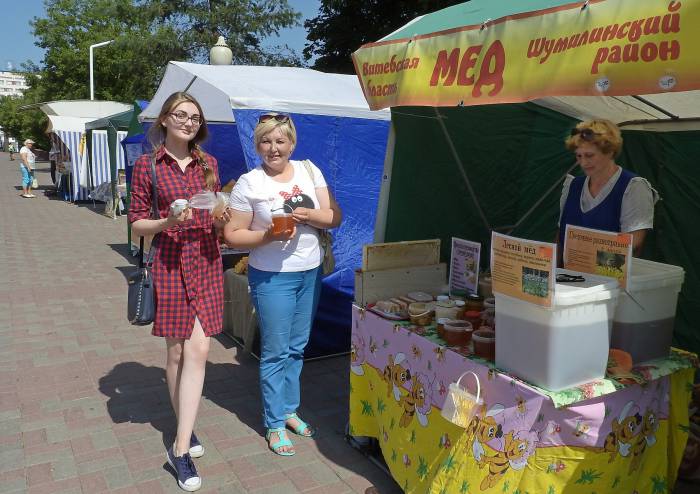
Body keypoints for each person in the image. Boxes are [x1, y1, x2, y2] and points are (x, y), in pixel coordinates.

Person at [128, 92, 230, 492]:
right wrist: (167, 220)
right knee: (175, 353)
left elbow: (219, 211)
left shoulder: (210, 163)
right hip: (169, 262)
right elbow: (137, 224)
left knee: (199, 350)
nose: (189, 122)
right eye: (181, 115)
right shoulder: (147, 167)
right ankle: (184, 425)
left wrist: (220, 209)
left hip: (205, 259)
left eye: (195, 117)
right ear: (165, 119)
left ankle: (181, 447)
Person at [224, 113, 342, 456]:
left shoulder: (309, 170)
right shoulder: (250, 183)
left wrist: (303, 215)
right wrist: (267, 234)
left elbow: (334, 216)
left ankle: (290, 410)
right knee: (276, 351)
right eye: (265, 141)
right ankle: (274, 422)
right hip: (272, 276)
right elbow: (232, 234)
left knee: (297, 346)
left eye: (280, 141)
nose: (273, 148)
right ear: (257, 144)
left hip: (310, 271)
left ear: (292, 143)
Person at [557, 119, 658, 262]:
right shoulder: (573, 186)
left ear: (610, 152)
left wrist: (589, 263)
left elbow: (634, 246)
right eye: (579, 156)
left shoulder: (633, 187)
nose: (583, 163)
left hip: (609, 281)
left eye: (590, 155)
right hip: (568, 279)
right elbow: (561, 238)